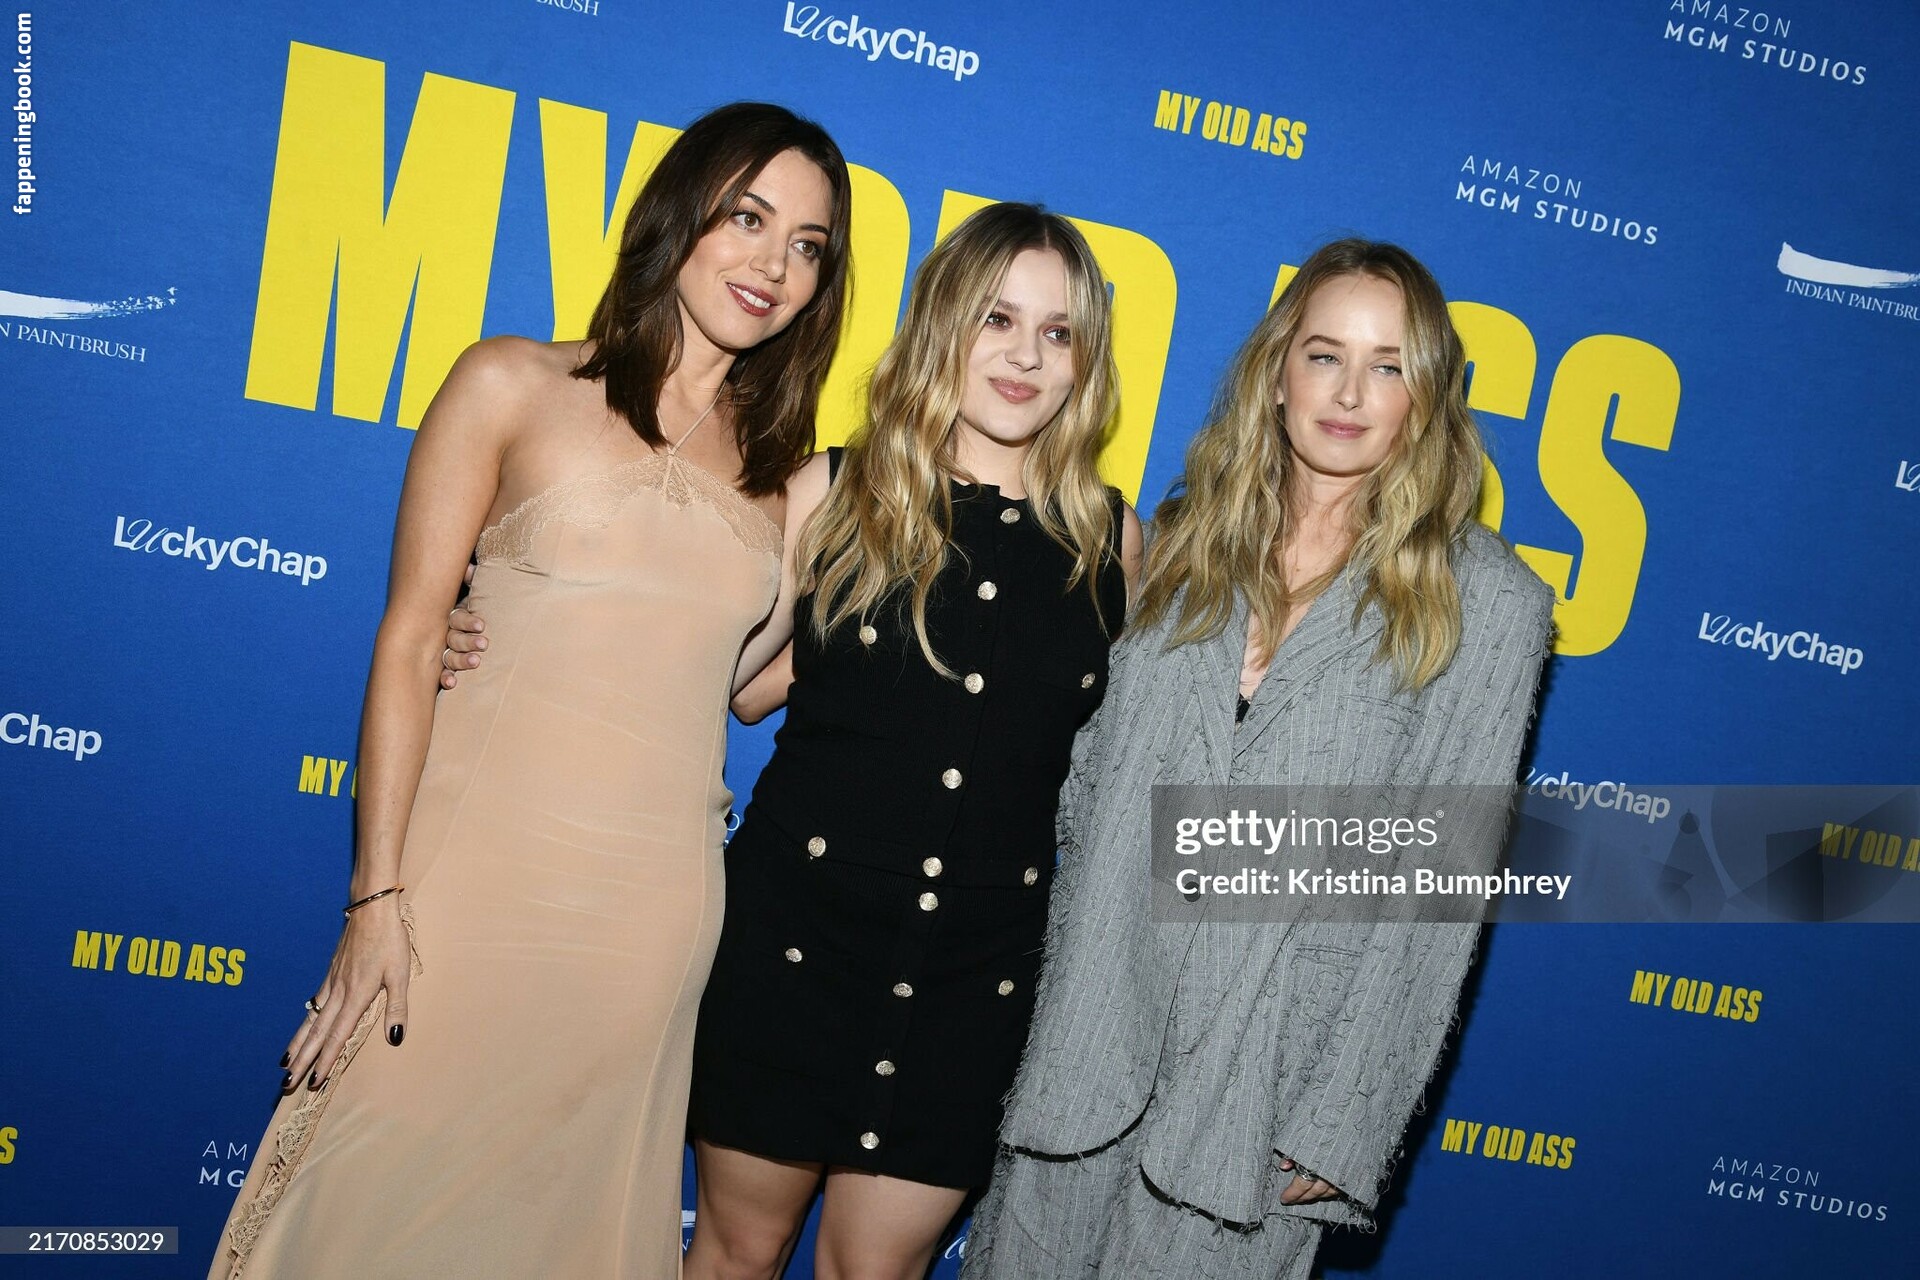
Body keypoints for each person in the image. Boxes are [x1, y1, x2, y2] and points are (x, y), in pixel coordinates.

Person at [210, 101, 852, 1279]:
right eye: (749, 217)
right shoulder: (513, 381)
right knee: (361, 1208)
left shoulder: (782, 483)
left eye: (808, 245)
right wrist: (376, 895)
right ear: (681, 211)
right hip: (464, 886)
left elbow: (745, 687)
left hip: (649, 922)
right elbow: (412, 635)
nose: (773, 262)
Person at [442, 202, 1143, 1280]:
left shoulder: (1111, 537)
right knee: (736, 1252)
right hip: (794, 944)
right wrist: (506, 616)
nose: (1025, 356)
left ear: (1085, 362)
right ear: (941, 326)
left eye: (1058, 333)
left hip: (976, 977)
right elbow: (726, 677)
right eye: (996, 319)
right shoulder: (832, 489)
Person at [960, 240, 1556, 1278]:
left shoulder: (1489, 603)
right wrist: (1042, 994)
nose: (1350, 393)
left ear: (1427, 397)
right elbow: (1086, 792)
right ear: (1278, 371)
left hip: (1264, 1088)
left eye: (1389, 365)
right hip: (1087, 1038)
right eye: (1326, 355)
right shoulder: (1187, 540)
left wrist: (1345, 1116)